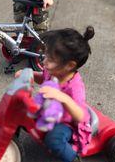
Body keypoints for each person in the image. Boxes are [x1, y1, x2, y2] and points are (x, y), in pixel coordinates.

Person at [31, 26, 95, 162]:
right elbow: (44, 78)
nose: (44, 61)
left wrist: (63, 97)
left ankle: (73, 158)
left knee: (53, 140)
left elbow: (81, 116)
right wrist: (30, 75)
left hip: (67, 123)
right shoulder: (53, 71)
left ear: (70, 66)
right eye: (46, 55)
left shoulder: (75, 87)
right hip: (50, 111)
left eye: (51, 59)